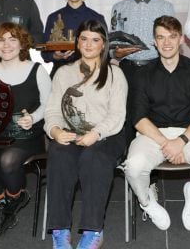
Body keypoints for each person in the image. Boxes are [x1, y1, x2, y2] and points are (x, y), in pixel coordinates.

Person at [124, 16, 190, 232]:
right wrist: (167, 144)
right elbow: (139, 119)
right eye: (161, 37)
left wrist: (180, 141)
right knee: (133, 166)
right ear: (154, 41)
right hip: (152, 135)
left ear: (181, 40)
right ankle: (147, 202)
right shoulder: (142, 74)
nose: (166, 42)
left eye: (172, 37)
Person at [45, 19, 127, 249]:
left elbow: (117, 115)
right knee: (59, 153)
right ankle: (60, 230)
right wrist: (55, 130)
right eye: (84, 39)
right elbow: (52, 110)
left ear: (103, 45)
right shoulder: (63, 73)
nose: (89, 44)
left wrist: (97, 134)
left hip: (108, 134)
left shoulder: (114, 74)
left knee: (93, 158)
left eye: (95, 40)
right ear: (77, 43)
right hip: (71, 132)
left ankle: (93, 230)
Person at [0, 22, 51, 244]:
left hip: (28, 135)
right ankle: (3, 207)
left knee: (8, 160)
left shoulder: (37, 70)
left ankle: (13, 199)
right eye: (1, 40)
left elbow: (48, 104)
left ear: (22, 43)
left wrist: (32, 117)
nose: (6, 45)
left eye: (12, 39)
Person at [110, 0, 175, 143]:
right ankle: (128, 157)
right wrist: (116, 54)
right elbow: (113, 44)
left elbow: (171, 41)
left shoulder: (166, 7)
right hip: (128, 68)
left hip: (155, 66)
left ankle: (157, 152)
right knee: (128, 111)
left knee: (155, 111)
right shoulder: (119, 8)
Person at [42, 0, 106, 78]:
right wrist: (56, 56)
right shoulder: (53, 18)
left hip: (91, 74)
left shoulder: (97, 18)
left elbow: (105, 51)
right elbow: (45, 53)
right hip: (61, 73)